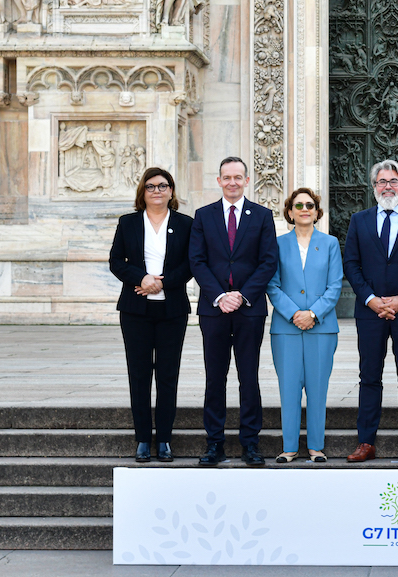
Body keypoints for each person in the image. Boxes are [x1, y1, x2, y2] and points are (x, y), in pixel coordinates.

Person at [189, 156, 279, 467]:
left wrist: (242, 295)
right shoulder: (203, 215)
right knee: (215, 377)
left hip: (249, 309)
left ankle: (250, 444)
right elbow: (197, 261)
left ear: (247, 180)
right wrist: (219, 296)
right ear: (219, 181)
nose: (232, 182)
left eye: (238, 177)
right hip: (213, 310)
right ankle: (214, 443)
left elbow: (268, 261)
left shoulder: (263, 215)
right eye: (226, 177)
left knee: (248, 377)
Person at [343, 160, 398, 463]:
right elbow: (351, 264)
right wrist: (371, 299)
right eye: (382, 181)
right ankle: (366, 441)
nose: (388, 186)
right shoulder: (359, 220)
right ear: (374, 187)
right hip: (369, 312)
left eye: (394, 181)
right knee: (369, 376)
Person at [108, 168, 193, 463]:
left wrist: (162, 282)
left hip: (172, 309)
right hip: (135, 310)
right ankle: (143, 438)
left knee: (168, 376)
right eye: (151, 186)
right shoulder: (128, 223)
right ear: (142, 192)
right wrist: (141, 278)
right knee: (140, 375)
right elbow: (116, 261)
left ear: (171, 191)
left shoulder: (185, 224)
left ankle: (165, 440)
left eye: (163, 186)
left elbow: (190, 264)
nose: (157, 191)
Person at [266, 187, 342, 463]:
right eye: (298, 206)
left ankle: (316, 447)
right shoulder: (277, 244)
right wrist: (294, 313)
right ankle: (288, 447)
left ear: (317, 211)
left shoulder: (330, 243)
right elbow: (272, 284)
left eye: (310, 205)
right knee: (288, 387)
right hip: (286, 328)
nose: (304, 209)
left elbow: (335, 286)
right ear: (289, 212)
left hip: (322, 327)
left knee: (317, 387)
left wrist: (313, 313)